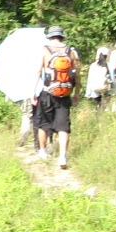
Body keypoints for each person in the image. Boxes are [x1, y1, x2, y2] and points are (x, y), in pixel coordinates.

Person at [34, 25, 81, 169]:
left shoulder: (44, 50)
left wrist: (33, 92)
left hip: (48, 92)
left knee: (43, 123)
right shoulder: (70, 51)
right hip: (65, 93)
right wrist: (77, 92)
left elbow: (38, 71)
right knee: (63, 127)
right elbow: (77, 75)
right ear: (62, 37)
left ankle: (42, 151)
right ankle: (62, 157)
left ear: (50, 37)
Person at [84, 46, 113, 112]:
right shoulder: (109, 65)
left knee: (98, 107)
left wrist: (88, 93)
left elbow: (90, 80)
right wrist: (113, 90)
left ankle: (99, 119)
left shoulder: (93, 65)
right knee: (106, 108)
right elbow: (112, 79)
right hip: (107, 90)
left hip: (95, 91)